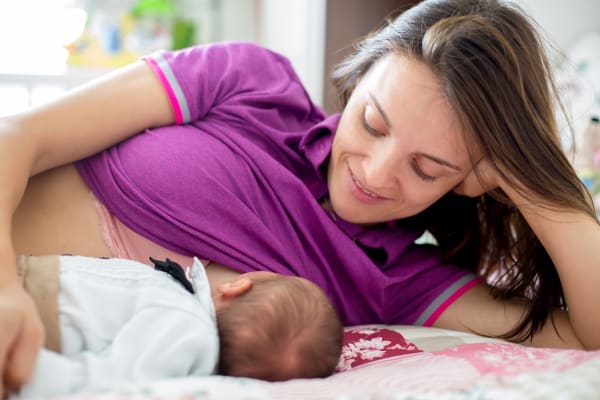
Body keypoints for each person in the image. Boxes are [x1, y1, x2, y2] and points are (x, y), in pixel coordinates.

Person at [1, 0, 599, 394]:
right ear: (360, 76)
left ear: (470, 181)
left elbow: (586, 336)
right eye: (372, 122)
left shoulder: (401, 280)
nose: (375, 172)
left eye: (427, 168)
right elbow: (16, 137)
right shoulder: (251, 82)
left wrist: (526, 177)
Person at [13, 254, 343, 397]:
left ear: (238, 285)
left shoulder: (188, 330)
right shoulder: (182, 304)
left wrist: (20, 373)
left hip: (28, 307)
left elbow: (105, 381)